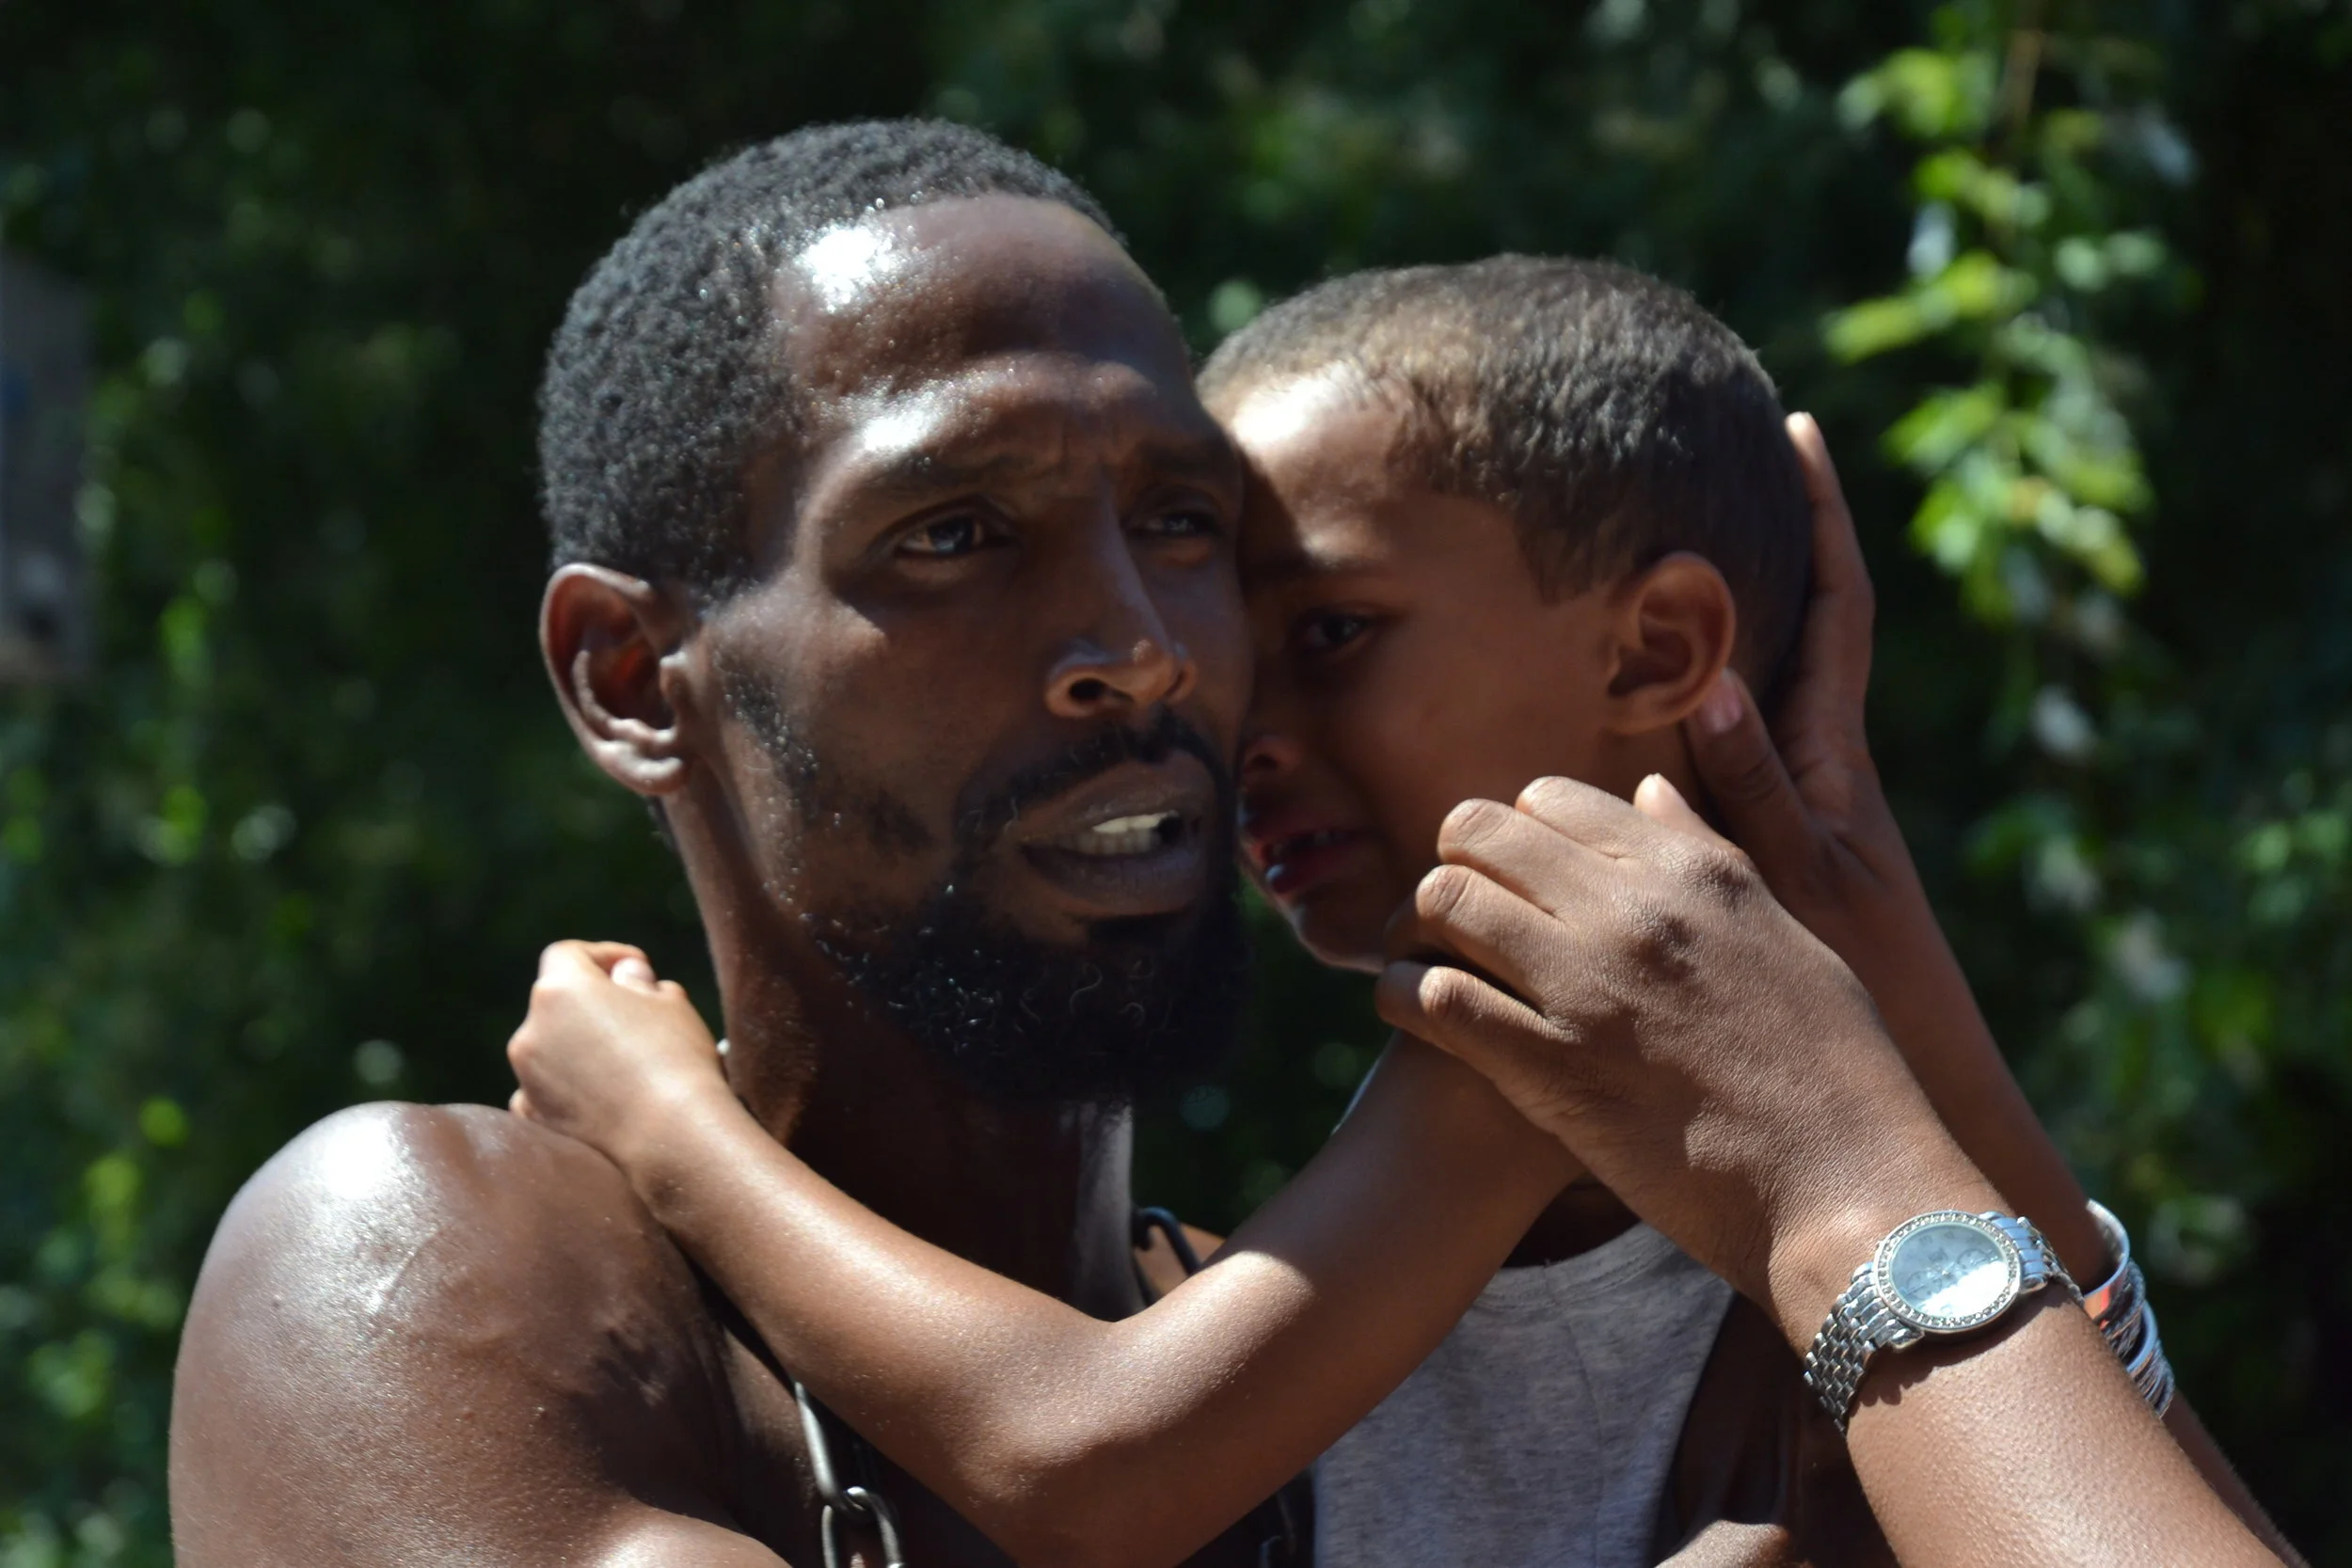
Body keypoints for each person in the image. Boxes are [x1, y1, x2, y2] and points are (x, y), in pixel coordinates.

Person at [499, 253, 2297, 1565]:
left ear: (1659, 649)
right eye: (1244, 642)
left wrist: (672, 1125)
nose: (1238, 721)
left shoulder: (1572, 1004)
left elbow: (1082, 1464)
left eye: (1335, 639)